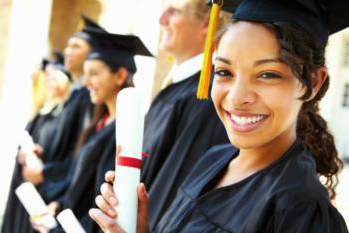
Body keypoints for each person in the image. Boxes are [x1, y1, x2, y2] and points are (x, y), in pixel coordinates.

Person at [89, 0, 349, 232]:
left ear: (313, 82)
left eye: (267, 74)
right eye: (224, 72)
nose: (236, 97)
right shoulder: (213, 160)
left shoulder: (301, 210)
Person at [31, 30, 153, 233]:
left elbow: (102, 201)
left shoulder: (126, 136)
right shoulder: (98, 124)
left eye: (94, 74)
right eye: (85, 74)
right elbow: (76, 180)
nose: (86, 82)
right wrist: (58, 205)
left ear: (121, 75)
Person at [141, 0, 230, 228]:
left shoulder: (206, 96)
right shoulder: (175, 88)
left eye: (174, 12)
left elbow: (176, 187)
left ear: (206, 23)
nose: (162, 21)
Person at [21, 14, 104, 204]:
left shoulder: (87, 99)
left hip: (59, 193)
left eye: (76, 46)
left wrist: (45, 173)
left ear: (91, 53)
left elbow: (78, 154)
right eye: (68, 45)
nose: (67, 51)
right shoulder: (72, 98)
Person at [1, 54, 72, 233]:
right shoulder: (43, 113)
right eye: (48, 78)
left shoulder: (65, 115)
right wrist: (24, 155)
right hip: (26, 183)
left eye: (54, 78)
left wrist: (42, 169)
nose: (49, 83)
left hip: (43, 186)